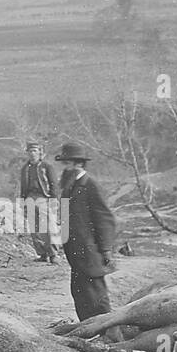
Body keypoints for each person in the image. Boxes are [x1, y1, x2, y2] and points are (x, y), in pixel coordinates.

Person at [54, 141, 120, 336]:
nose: (64, 168)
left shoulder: (90, 185)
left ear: (78, 164)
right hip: (75, 253)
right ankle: (89, 333)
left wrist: (106, 250)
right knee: (81, 295)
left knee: (97, 296)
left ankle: (111, 337)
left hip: (91, 252)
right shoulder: (69, 187)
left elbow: (106, 219)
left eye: (67, 164)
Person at [18, 141, 61, 263]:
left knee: (49, 226)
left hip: (44, 198)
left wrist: (54, 199)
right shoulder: (25, 168)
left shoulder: (47, 167)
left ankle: (53, 254)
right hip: (30, 198)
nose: (32, 154)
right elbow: (23, 186)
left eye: (35, 151)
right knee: (34, 228)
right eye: (30, 151)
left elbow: (53, 184)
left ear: (40, 152)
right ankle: (42, 254)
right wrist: (22, 201)